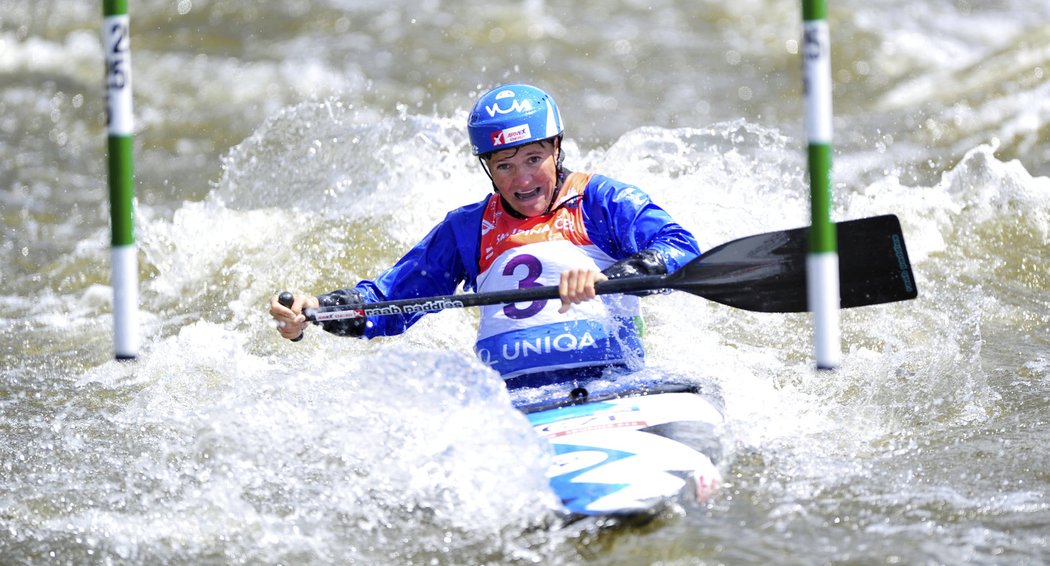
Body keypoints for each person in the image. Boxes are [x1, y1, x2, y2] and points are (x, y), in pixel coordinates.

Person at [270, 83, 701, 392]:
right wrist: (319, 311)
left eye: (535, 158)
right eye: (505, 166)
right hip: (515, 407)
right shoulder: (466, 229)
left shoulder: (602, 201)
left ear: (557, 148)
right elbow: (388, 303)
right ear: (487, 167)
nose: (524, 179)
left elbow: (680, 247)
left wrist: (612, 277)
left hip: (614, 387)